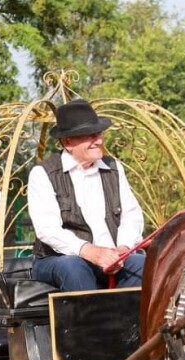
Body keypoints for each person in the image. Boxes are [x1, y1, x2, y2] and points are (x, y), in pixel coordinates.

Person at [27, 99, 146, 291]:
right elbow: (47, 230)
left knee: (143, 265)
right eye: (90, 136)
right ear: (68, 142)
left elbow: (132, 216)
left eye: (98, 133)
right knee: (74, 267)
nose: (99, 140)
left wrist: (122, 250)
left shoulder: (114, 168)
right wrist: (90, 251)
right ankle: (91, 321)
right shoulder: (43, 174)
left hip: (112, 258)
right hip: (57, 259)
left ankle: (134, 321)